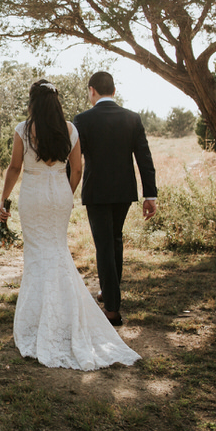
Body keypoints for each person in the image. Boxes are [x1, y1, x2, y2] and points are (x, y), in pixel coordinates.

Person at [0, 79, 140, 370]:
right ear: (56, 102)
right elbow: (77, 169)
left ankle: (38, 319)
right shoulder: (70, 130)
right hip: (60, 195)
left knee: (37, 254)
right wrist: (66, 193)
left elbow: (15, 167)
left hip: (33, 195)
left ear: (33, 103)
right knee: (58, 251)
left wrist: (3, 199)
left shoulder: (23, 129)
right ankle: (63, 315)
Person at [72, 71, 158, 327]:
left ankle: (112, 308)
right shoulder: (132, 118)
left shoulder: (82, 120)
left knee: (104, 245)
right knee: (115, 240)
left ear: (92, 91)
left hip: (96, 192)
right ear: (114, 90)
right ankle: (109, 291)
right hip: (123, 191)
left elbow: (74, 162)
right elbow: (144, 158)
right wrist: (150, 194)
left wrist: (65, 189)